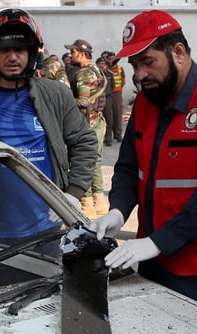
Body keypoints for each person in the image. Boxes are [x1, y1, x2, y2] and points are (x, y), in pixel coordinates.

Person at [90, 10, 197, 333]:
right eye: (134, 66)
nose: (140, 75)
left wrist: (156, 241)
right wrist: (117, 211)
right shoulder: (146, 102)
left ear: (179, 53)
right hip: (158, 258)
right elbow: (129, 167)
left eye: (148, 62)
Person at [0, 8, 97, 242]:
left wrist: (72, 194)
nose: (12, 57)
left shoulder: (56, 95)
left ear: (32, 52)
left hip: (48, 227)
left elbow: (85, 141)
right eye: (4, 49)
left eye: (20, 49)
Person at [67, 38, 109, 216]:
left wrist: (65, 101)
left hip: (86, 124)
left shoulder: (84, 74)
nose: (70, 55)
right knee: (96, 162)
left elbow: (83, 102)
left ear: (82, 53)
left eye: (73, 52)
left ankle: (87, 206)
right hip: (98, 121)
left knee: (82, 162)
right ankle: (99, 203)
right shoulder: (97, 70)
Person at [103, 51, 125, 145]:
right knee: (108, 115)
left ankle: (118, 134)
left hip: (117, 93)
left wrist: (119, 89)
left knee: (117, 113)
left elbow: (123, 80)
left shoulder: (120, 68)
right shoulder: (105, 69)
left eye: (113, 58)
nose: (112, 60)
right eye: (110, 58)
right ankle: (108, 136)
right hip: (108, 94)